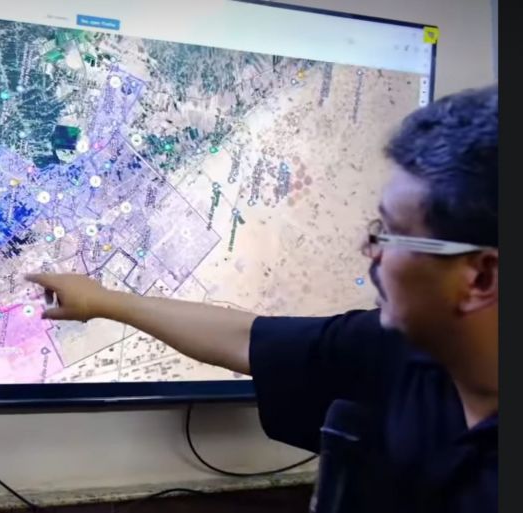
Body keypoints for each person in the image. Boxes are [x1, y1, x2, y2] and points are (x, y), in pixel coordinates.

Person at [26, 85, 498, 512]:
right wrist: (104, 301)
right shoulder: (395, 348)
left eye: (390, 234)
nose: (368, 249)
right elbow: (245, 339)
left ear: (480, 276)